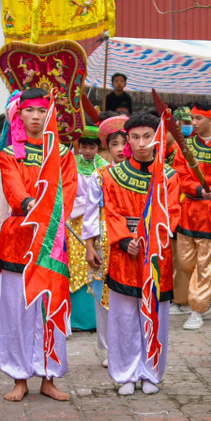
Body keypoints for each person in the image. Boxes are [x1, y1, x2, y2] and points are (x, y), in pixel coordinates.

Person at [0, 88, 78, 402]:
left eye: (41, 111)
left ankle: (48, 375)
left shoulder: (63, 154)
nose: (35, 117)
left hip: (51, 240)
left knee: (49, 310)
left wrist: (51, 214)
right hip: (18, 237)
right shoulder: (9, 153)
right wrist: (33, 204)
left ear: (50, 114)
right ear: (19, 114)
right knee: (17, 312)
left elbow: (67, 191)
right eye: (29, 111)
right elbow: (13, 186)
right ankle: (19, 377)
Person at [102, 112, 180, 395]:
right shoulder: (112, 175)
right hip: (125, 256)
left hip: (156, 256)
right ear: (127, 140)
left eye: (147, 136)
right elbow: (111, 212)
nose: (142, 143)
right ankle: (126, 373)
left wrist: (149, 242)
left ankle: (151, 371)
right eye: (135, 137)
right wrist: (125, 242)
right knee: (123, 318)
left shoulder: (169, 176)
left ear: (157, 137)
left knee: (155, 316)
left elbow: (171, 214)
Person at [173, 99, 211, 330]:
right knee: (184, 261)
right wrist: (197, 189)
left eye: (198, 119)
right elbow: (180, 176)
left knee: (206, 263)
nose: (193, 123)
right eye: (191, 118)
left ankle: (197, 309)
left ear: (210, 119)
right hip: (188, 210)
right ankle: (197, 296)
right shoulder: (185, 146)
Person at [83, 115, 128, 367]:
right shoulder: (100, 176)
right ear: (107, 148)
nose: (120, 148)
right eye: (114, 144)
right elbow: (90, 212)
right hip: (103, 243)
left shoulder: (143, 174)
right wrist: (89, 246)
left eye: (125, 142)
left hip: (131, 244)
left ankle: (132, 345)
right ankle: (112, 348)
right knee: (104, 298)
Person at [68, 126, 107, 331]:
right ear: (79, 146)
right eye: (84, 146)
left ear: (98, 147)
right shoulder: (70, 164)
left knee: (93, 264)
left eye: (92, 146)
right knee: (75, 265)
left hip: (95, 221)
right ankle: (76, 318)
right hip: (72, 220)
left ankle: (93, 319)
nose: (88, 150)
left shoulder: (104, 167)